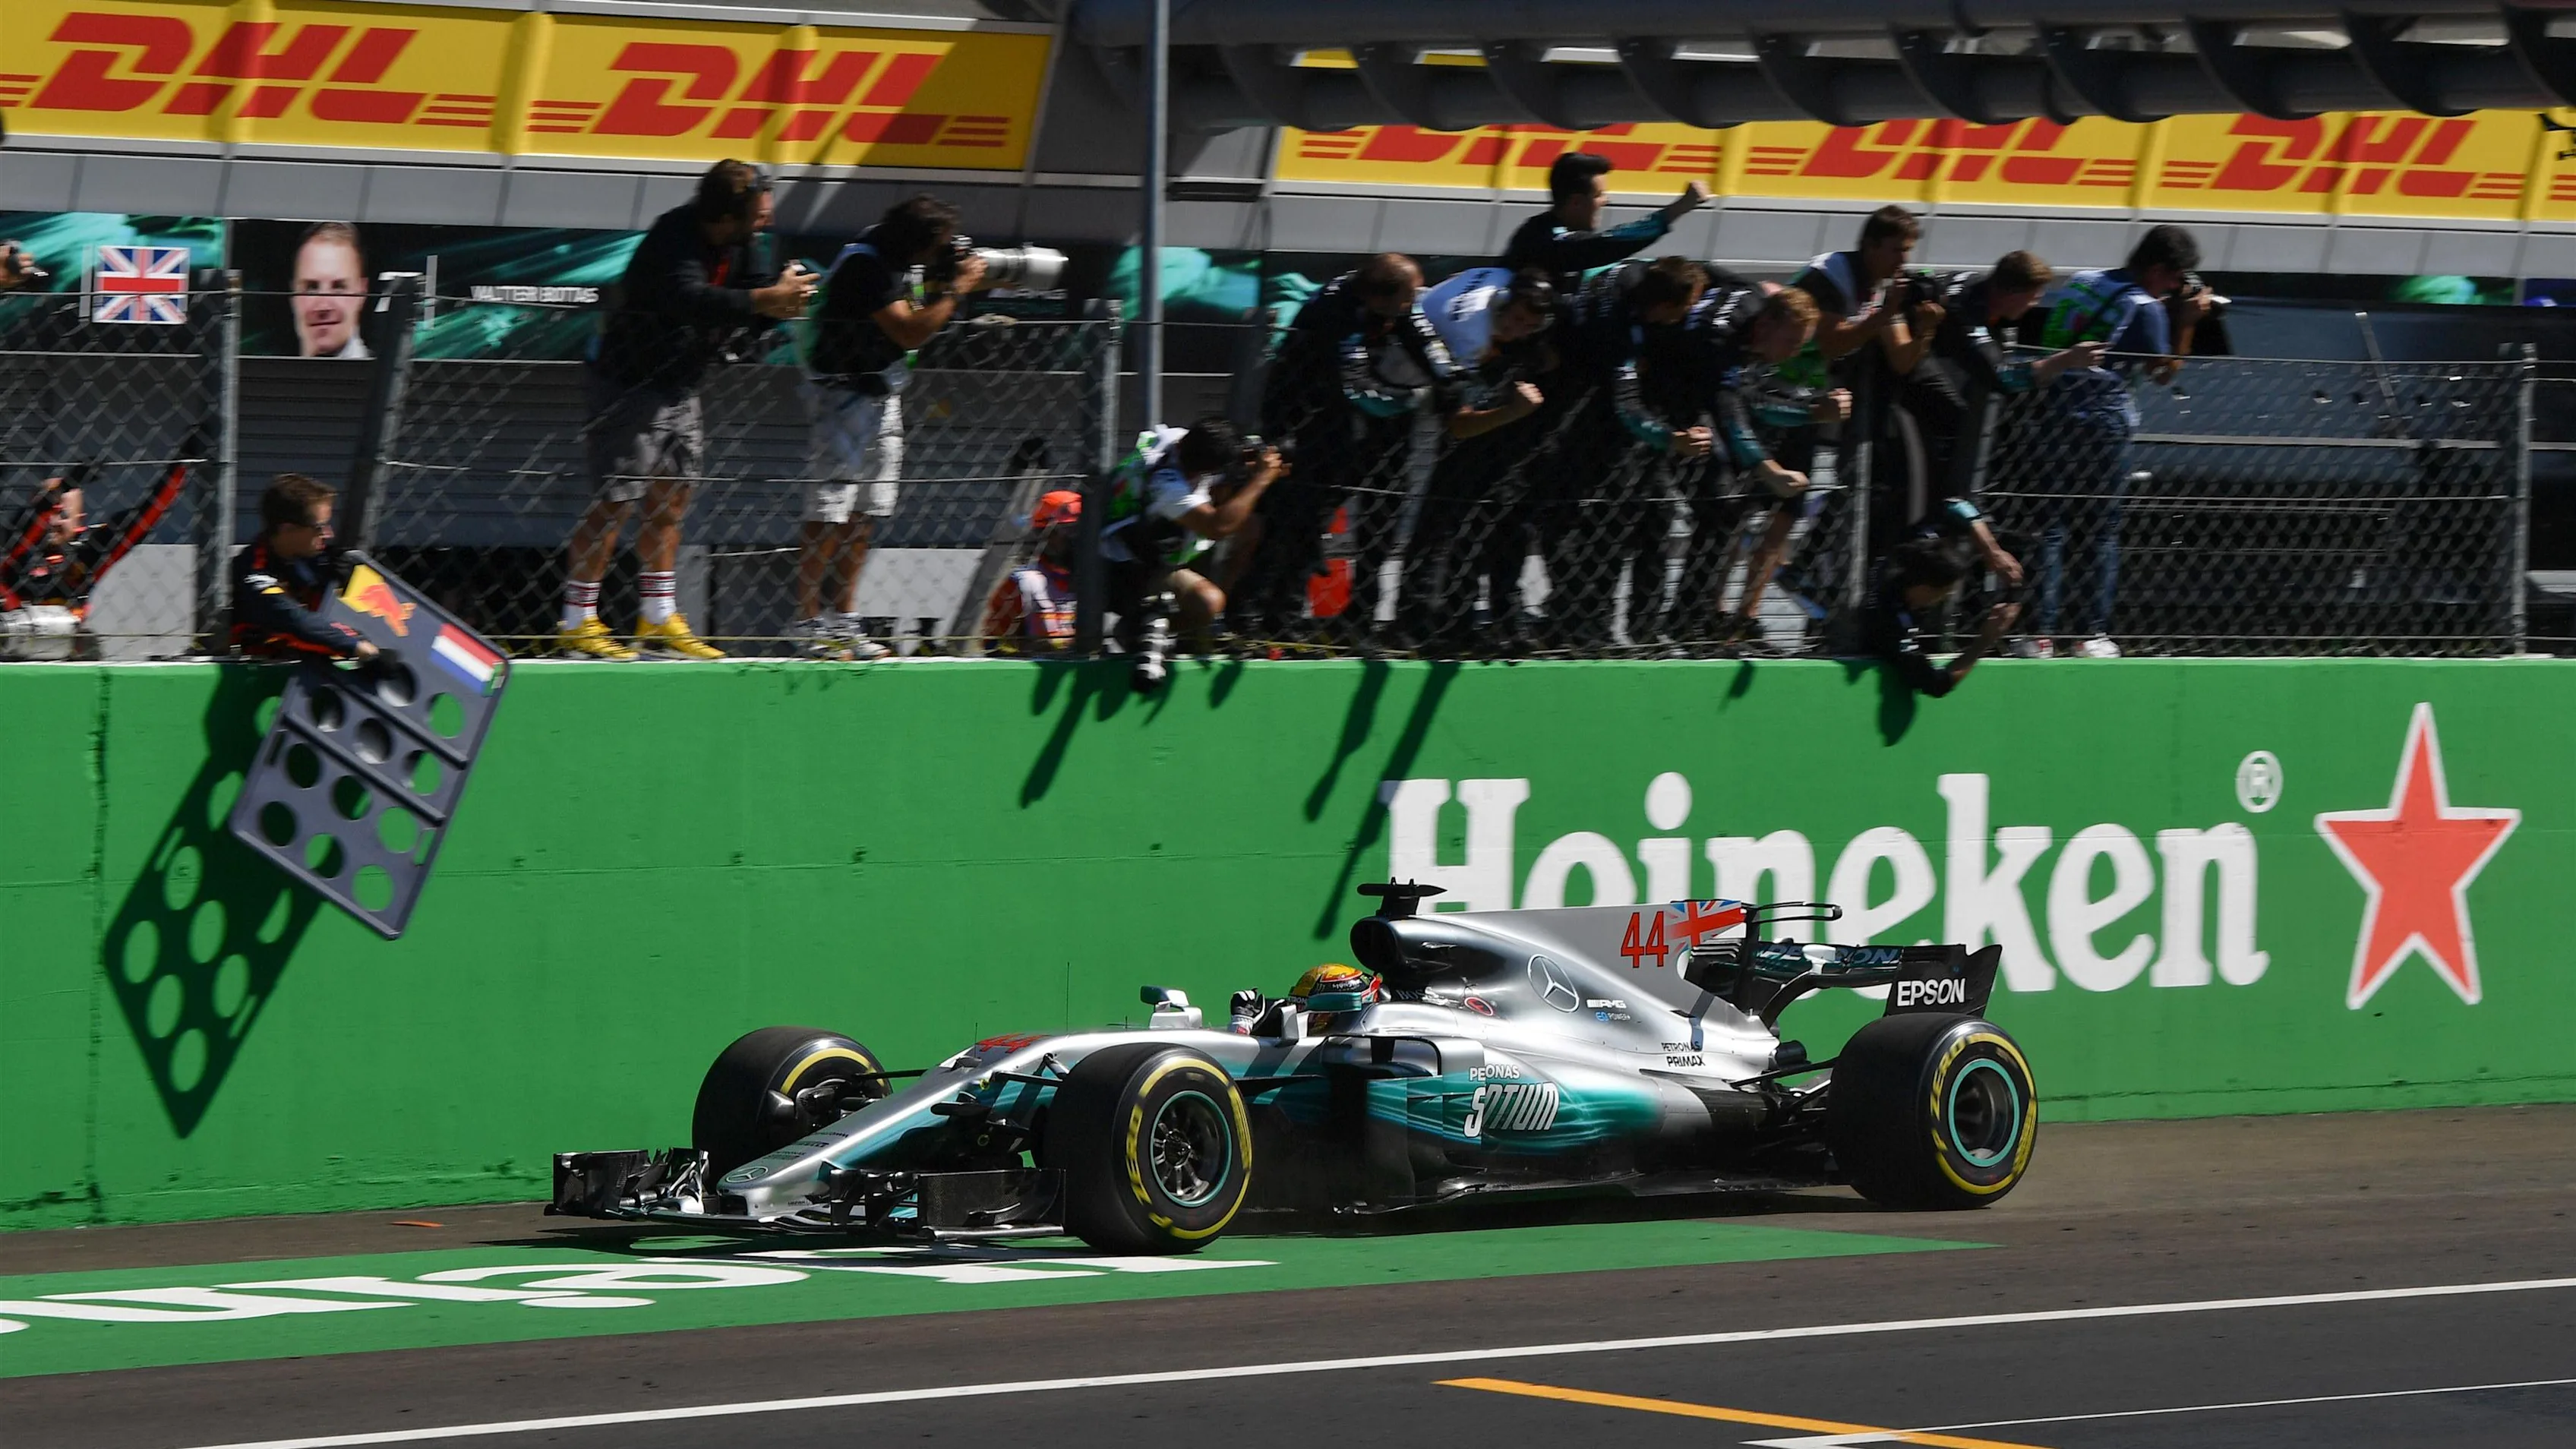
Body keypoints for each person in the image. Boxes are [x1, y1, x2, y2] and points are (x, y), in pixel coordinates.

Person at [557, 159, 813, 661]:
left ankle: (657, 614)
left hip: (683, 385)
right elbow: (689, 297)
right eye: (758, 214)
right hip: (631, 383)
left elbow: (754, 293)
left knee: (671, 500)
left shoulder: (744, 241)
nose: (766, 222)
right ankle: (577, 620)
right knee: (615, 501)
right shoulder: (673, 235)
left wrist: (783, 299)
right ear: (726, 215)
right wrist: (766, 299)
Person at [795, 194, 990, 661]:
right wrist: (957, 289)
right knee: (830, 509)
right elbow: (909, 331)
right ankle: (805, 622)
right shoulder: (868, 264)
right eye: (938, 245)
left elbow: (917, 312)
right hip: (843, 394)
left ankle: (841, 620)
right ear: (915, 244)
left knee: (864, 514)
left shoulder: (903, 260)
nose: (944, 253)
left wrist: (944, 280)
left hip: (882, 391)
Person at [1242, 254, 1454, 648]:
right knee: (1288, 523)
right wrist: (1419, 396)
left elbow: (1419, 331)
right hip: (1302, 425)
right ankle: (1252, 613)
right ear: (1380, 300)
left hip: (1338, 425)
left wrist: (1448, 375)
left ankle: (1285, 614)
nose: (1414, 304)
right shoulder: (1334, 317)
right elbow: (1352, 387)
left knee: (1316, 524)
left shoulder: (1384, 299)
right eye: (1408, 297)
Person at [2028, 224, 2214, 658]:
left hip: (2052, 412)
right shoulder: (2145, 307)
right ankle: (2090, 634)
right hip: (2103, 423)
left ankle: (2037, 634)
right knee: (2099, 531)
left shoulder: (2085, 281)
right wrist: (2185, 323)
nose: (2175, 286)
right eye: (2174, 277)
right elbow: (2164, 371)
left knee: (2050, 525)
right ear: (2156, 270)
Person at [1539, 255, 1712, 649]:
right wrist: (1673, 439)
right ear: (1664, 307)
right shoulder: (1620, 334)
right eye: (1687, 307)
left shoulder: (1638, 273)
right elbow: (1628, 407)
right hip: (1572, 417)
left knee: (1648, 519)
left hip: (1596, 414)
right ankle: (1576, 619)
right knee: (1590, 523)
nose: (1692, 313)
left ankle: (1626, 628)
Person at [1911, 251, 2108, 586]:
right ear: (2012, 293)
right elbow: (2003, 377)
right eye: (2035, 297)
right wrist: (2066, 360)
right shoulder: (1967, 311)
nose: (2036, 304)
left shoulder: (1976, 284)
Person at [1664, 286, 1845, 647]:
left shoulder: (1757, 310)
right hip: (1667, 401)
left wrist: (1811, 410)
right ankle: (1681, 620)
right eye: (1792, 342)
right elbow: (1733, 415)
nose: (1795, 353)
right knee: (1721, 498)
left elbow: (1752, 402)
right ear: (1765, 326)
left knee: (1728, 505)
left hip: (1698, 399)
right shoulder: (1722, 341)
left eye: (1801, 345)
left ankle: (1691, 615)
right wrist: (1771, 470)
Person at [1398, 267, 1560, 651]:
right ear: (1500, 304)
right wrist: (1513, 412)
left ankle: (1463, 618)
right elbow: (1458, 425)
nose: (1519, 330)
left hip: (1494, 452)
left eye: (1530, 326)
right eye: (1516, 320)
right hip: (1424, 405)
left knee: (1481, 528)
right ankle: (1418, 621)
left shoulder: (1511, 291)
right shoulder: (1469, 337)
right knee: (1438, 529)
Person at [1102, 418, 1283, 684]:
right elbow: (1218, 527)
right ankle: (1134, 629)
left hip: (1151, 547)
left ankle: (1170, 626)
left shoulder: (1177, 441)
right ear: (1206, 469)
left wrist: (1246, 458)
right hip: (1127, 568)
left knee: (1248, 525)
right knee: (1208, 602)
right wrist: (1261, 479)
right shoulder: (1166, 484)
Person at [0, 460, 191, 620]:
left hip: (67, 648)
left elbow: (144, 517)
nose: (53, 521)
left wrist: (180, 465)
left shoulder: (87, 556)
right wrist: (65, 487)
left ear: (79, 521)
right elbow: (24, 529)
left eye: (63, 514)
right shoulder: (14, 552)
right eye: (48, 512)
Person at [1502, 153, 1710, 295]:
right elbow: (1607, 244)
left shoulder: (1546, 230)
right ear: (1575, 202)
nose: (1606, 200)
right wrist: (1679, 208)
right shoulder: (1543, 239)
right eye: (1599, 195)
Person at [229, 474, 376, 661]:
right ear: (287, 529)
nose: (328, 534)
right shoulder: (254, 571)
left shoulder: (317, 558)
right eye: (319, 528)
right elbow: (295, 620)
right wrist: (359, 647)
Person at [1863, 535, 2018, 697]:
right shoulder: (1890, 622)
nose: (1945, 598)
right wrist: (1986, 639)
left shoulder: (1888, 567)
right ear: (1925, 587)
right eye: (1944, 592)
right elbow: (1936, 684)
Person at [978, 489, 1082, 655]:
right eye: (1068, 532)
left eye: (1081, 532)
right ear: (1045, 535)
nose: (1076, 540)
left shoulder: (1090, 578)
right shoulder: (1025, 581)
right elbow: (991, 642)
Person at [291, 223, 371, 360]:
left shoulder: (389, 381)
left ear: (362, 293)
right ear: (293, 296)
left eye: (338, 287)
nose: (323, 306)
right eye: (311, 288)